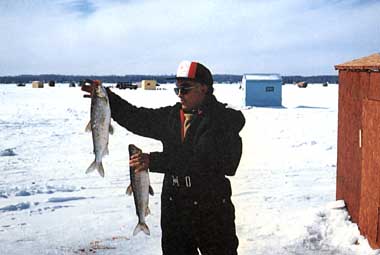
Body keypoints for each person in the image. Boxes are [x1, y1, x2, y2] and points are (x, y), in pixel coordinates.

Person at [82, 61, 245, 255]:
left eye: (185, 89)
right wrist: (105, 97)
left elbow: (203, 159)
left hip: (211, 207)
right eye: (177, 89)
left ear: (204, 89)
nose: (179, 94)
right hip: (175, 206)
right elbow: (136, 117)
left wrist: (154, 161)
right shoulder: (172, 116)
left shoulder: (222, 120)